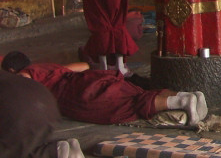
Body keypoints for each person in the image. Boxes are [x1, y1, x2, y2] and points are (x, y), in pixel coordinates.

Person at [2, 51, 208, 127]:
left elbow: (25, 91)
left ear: (12, 70)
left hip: (79, 93)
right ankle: (187, 96)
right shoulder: (45, 67)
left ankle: (181, 102)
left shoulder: (24, 76)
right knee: (136, 94)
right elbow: (83, 66)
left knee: (127, 106)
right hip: (87, 78)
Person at [0, 70, 88, 158]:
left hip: (19, 113)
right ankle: (68, 151)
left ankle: (53, 157)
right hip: (44, 101)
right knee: (18, 148)